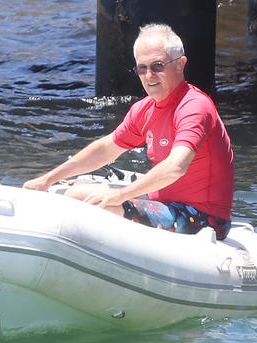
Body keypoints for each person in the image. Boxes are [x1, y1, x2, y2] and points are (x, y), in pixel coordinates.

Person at [22, 23, 234, 240]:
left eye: (157, 66)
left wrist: (120, 195)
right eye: (142, 68)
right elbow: (105, 150)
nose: (149, 75)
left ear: (180, 64)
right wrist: (47, 179)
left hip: (203, 218)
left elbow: (175, 167)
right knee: (77, 193)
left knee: (102, 206)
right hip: (164, 204)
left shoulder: (194, 107)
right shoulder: (144, 109)